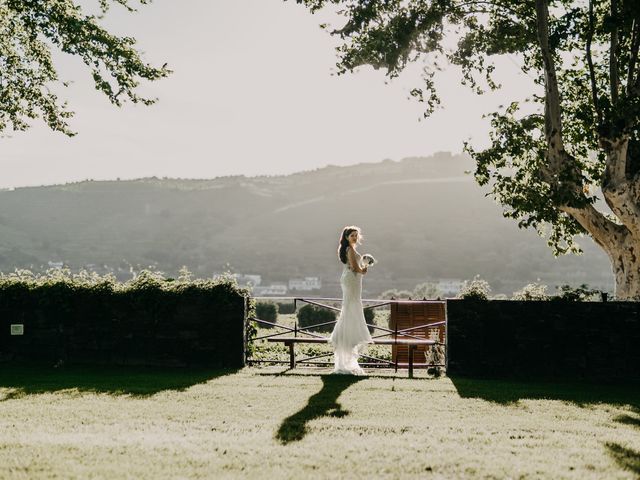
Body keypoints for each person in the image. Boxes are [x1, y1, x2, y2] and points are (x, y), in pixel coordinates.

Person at [329, 225, 373, 375]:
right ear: (347, 237)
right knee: (352, 306)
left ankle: (348, 339)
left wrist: (361, 268)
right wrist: (364, 270)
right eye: (352, 235)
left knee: (350, 306)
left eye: (356, 235)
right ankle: (348, 335)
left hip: (350, 279)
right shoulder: (350, 250)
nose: (355, 237)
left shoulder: (348, 249)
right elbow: (355, 267)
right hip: (352, 279)